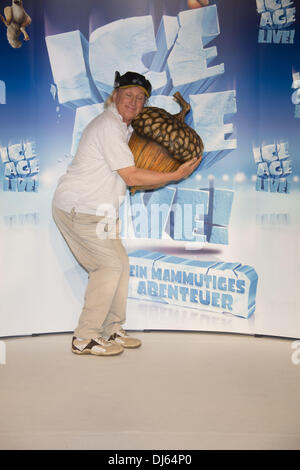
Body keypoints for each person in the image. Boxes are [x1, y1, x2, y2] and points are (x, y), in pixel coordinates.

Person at [52, 71, 200, 356]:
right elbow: (130, 176)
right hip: (79, 209)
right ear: (115, 95)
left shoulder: (125, 129)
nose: (134, 102)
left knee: (120, 265)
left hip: (102, 212)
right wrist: (174, 174)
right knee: (107, 267)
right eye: (129, 94)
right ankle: (85, 337)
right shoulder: (108, 125)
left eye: (140, 98)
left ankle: (112, 328)